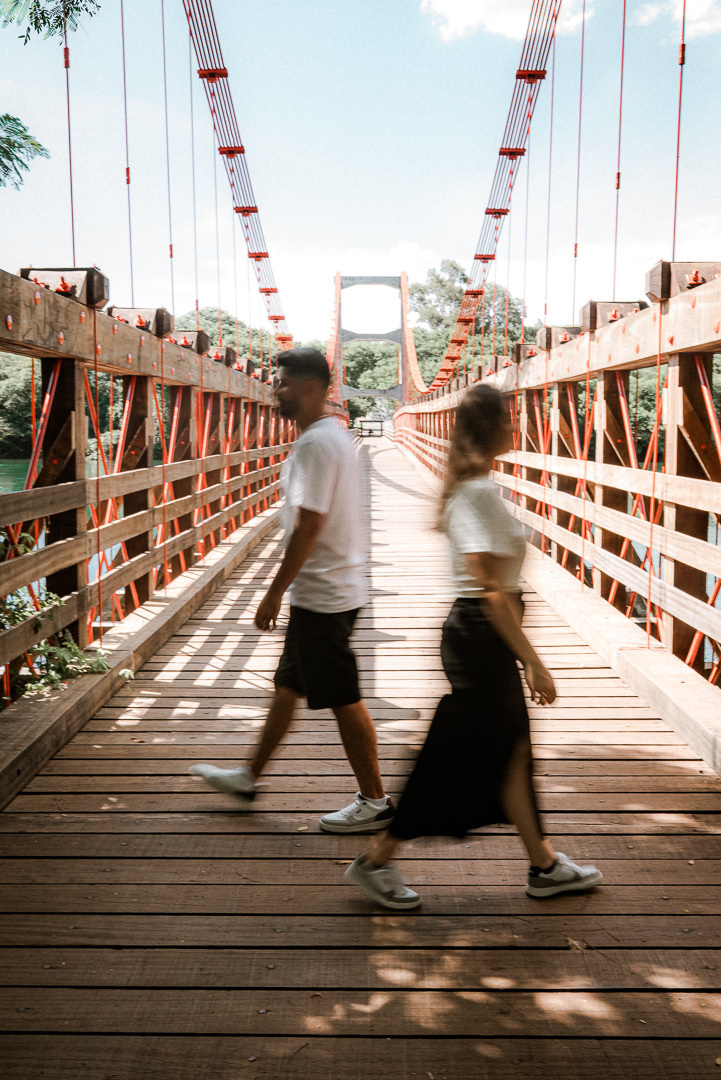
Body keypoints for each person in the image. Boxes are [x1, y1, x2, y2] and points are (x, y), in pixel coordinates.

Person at [344, 383, 603, 908]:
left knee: (513, 754)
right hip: (481, 639)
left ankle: (545, 865)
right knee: (450, 755)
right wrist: (534, 661)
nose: (516, 426)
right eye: (509, 418)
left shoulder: (474, 488)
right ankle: (375, 860)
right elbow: (489, 591)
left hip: (480, 638)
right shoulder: (477, 495)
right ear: (493, 429)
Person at [188, 346, 394, 834]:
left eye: (280, 381)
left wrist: (273, 591)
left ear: (307, 387)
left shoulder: (314, 446)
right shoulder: (333, 437)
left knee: (344, 696)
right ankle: (248, 776)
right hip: (332, 587)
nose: (272, 388)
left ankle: (375, 800)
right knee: (288, 687)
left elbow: (309, 525)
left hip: (324, 593)